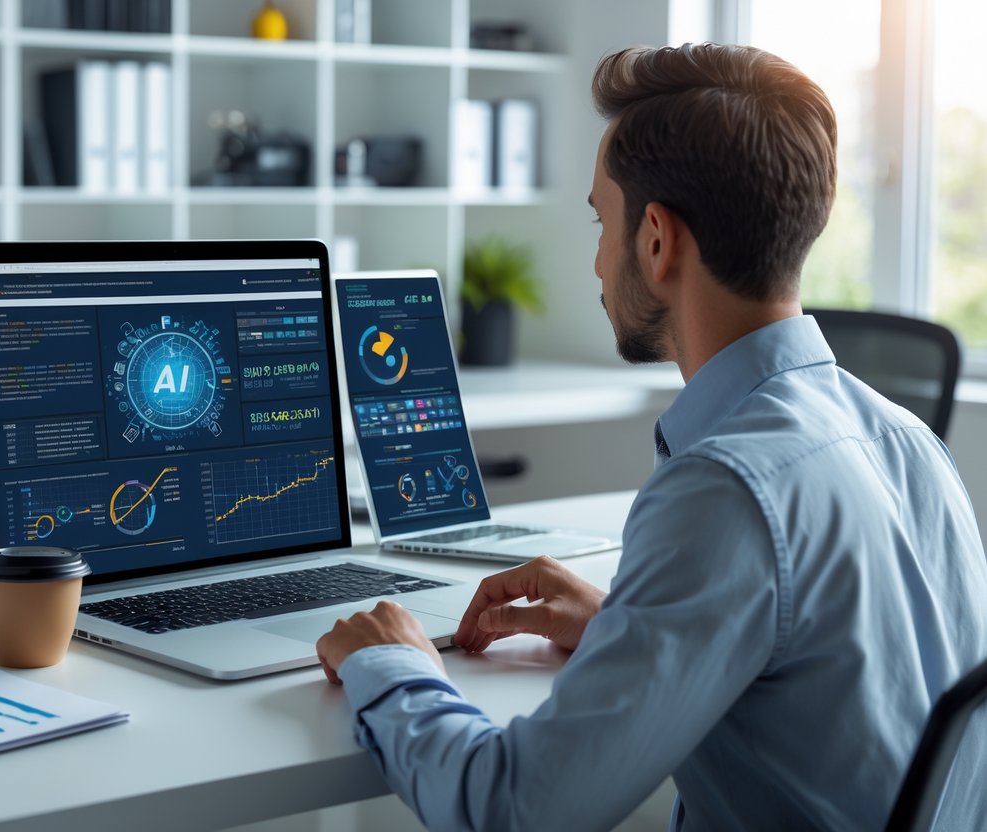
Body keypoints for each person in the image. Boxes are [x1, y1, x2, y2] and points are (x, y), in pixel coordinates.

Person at [315, 42, 987, 831]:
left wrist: (389, 661)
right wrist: (624, 628)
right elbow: (833, 683)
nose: (598, 264)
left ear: (657, 241)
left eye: (602, 222)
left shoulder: (726, 489)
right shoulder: (909, 441)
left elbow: (511, 811)